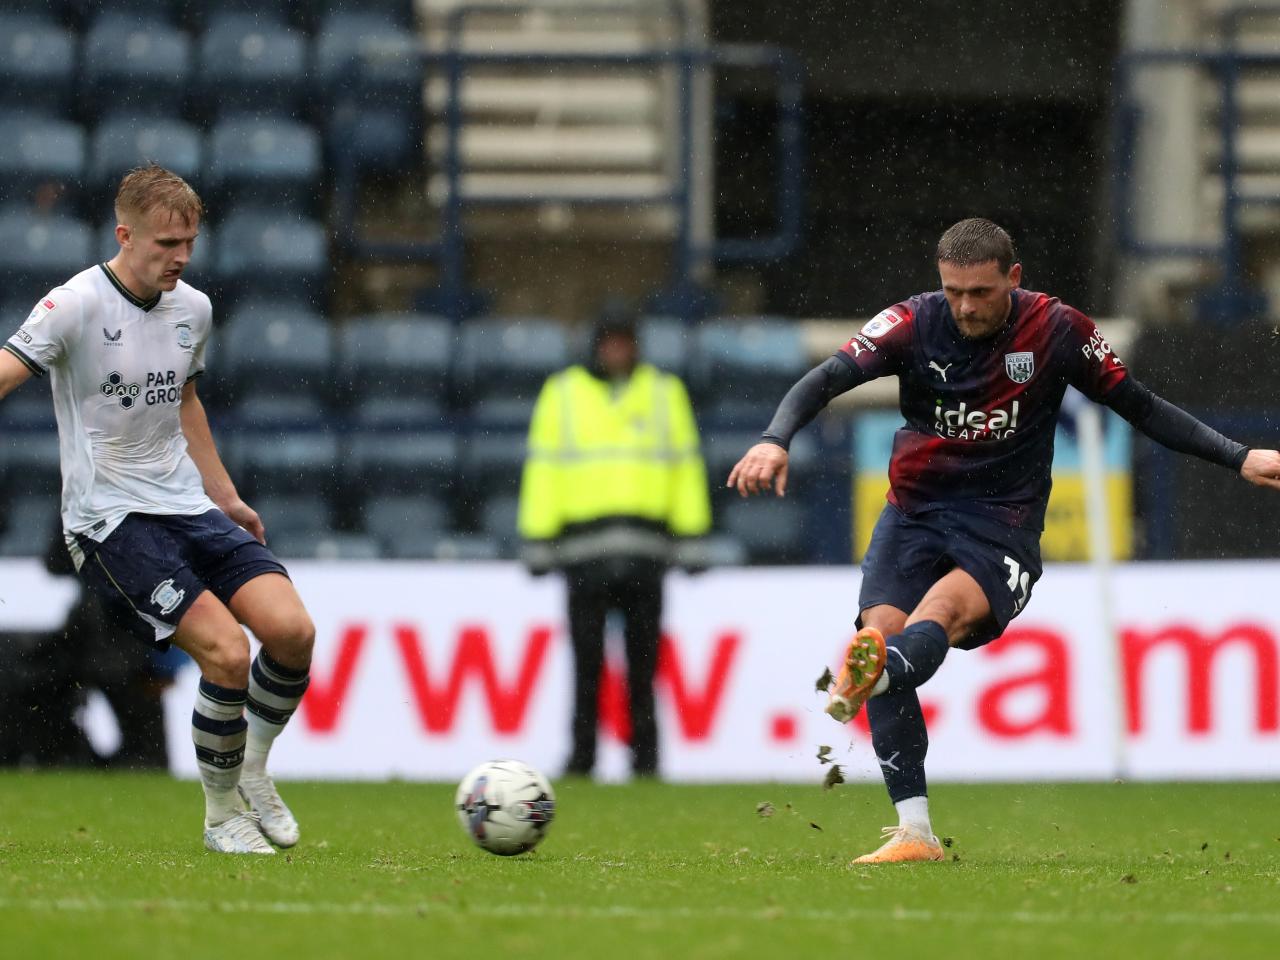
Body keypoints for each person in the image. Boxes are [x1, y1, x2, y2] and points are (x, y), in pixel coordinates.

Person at [728, 218, 1280, 863]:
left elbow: (1142, 406)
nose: (966, 306)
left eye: (981, 292)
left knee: (941, 615)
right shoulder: (910, 322)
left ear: (1013, 278)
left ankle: (876, 679)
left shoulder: (1057, 329)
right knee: (879, 631)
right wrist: (774, 438)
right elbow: (824, 379)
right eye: (955, 291)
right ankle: (915, 832)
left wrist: (1237, 457)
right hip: (913, 513)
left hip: (1001, 521)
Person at [0, 165, 316, 855]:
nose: (179, 257)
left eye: (190, 244)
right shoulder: (73, 305)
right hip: (110, 519)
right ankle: (219, 816)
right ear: (125, 234)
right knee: (227, 653)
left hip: (187, 502)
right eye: (167, 243)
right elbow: (6, 371)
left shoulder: (192, 309)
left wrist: (225, 494)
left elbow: (186, 400)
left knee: (292, 632)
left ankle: (253, 772)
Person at [518, 307, 711, 778]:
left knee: (643, 667)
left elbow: (685, 467)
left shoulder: (665, 393)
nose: (617, 351)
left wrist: (692, 534)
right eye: (610, 341)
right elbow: (542, 469)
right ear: (596, 345)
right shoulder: (562, 393)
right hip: (583, 551)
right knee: (587, 665)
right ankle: (582, 757)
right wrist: (538, 537)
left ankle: (645, 760)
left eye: (624, 341)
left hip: (647, 550)